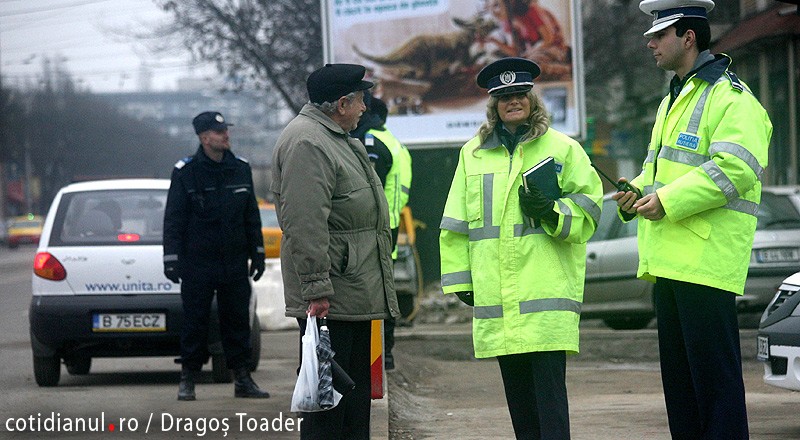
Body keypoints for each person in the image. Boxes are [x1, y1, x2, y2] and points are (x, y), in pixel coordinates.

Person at [612, 1, 772, 437]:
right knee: (682, 392)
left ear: (688, 38)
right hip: (670, 263)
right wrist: (637, 192)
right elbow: (660, 171)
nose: (650, 43)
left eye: (659, 35)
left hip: (704, 263)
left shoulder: (732, 97)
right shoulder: (674, 99)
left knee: (715, 390)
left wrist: (666, 201)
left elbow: (737, 169)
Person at [439, 57, 602, 440]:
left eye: (520, 94)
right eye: (504, 96)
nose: (513, 101)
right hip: (498, 299)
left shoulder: (563, 148)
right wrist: (461, 281)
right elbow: (455, 223)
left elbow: (590, 209)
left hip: (545, 298)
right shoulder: (473, 154)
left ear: (532, 100)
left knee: (550, 403)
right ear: (494, 105)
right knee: (520, 403)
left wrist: (551, 212)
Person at [271, 64, 400, 440]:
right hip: (331, 297)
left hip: (351, 291)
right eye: (360, 100)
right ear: (342, 104)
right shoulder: (308, 143)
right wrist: (316, 289)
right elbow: (304, 222)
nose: (365, 108)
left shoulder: (335, 138)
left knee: (352, 402)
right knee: (328, 408)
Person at [163, 111, 269, 401]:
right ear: (204, 137)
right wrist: (171, 259)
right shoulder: (186, 172)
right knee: (194, 322)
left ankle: (242, 379)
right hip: (198, 262)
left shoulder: (240, 169)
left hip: (233, 261)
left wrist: (258, 253)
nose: (226, 136)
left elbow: (251, 216)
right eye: (219, 132)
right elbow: (174, 219)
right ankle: (188, 378)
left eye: (226, 131)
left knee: (237, 322)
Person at [351, 93, 413, 371]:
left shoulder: (370, 142)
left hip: (374, 229)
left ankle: (379, 355)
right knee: (385, 293)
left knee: (372, 296)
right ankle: (385, 354)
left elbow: (366, 189)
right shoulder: (393, 142)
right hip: (389, 228)